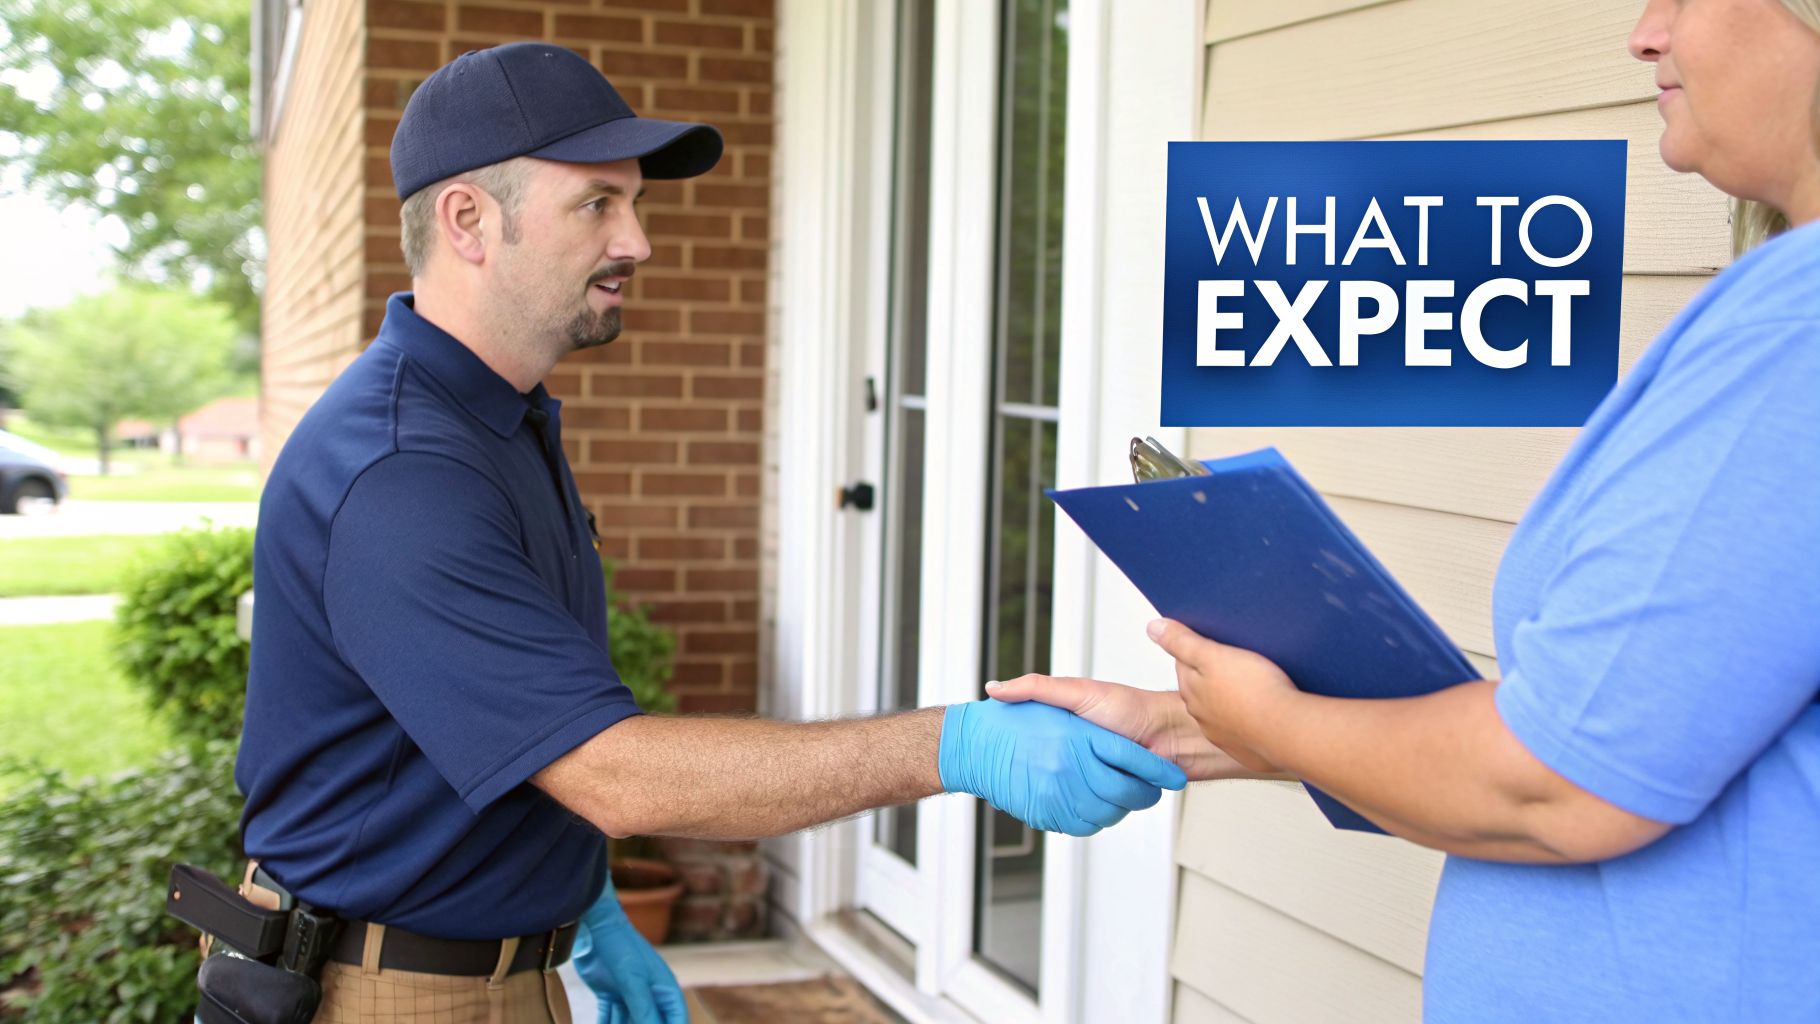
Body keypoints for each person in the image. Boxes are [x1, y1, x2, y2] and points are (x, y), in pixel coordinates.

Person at [235, 42, 1184, 1024]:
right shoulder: (401, 469)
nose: (636, 243)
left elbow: (493, 723)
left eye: (634, 204)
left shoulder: (494, 419)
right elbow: (616, 772)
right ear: (468, 220)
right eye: (597, 204)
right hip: (393, 994)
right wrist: (960, 747)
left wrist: (580, 896)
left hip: (481, 966)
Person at [992, 0, 1820, 1019]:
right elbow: (1651, 723)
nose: (1646, 33)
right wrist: (1183, 724)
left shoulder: (1799, 326)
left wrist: (1277, 720)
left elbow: (1557, 782)